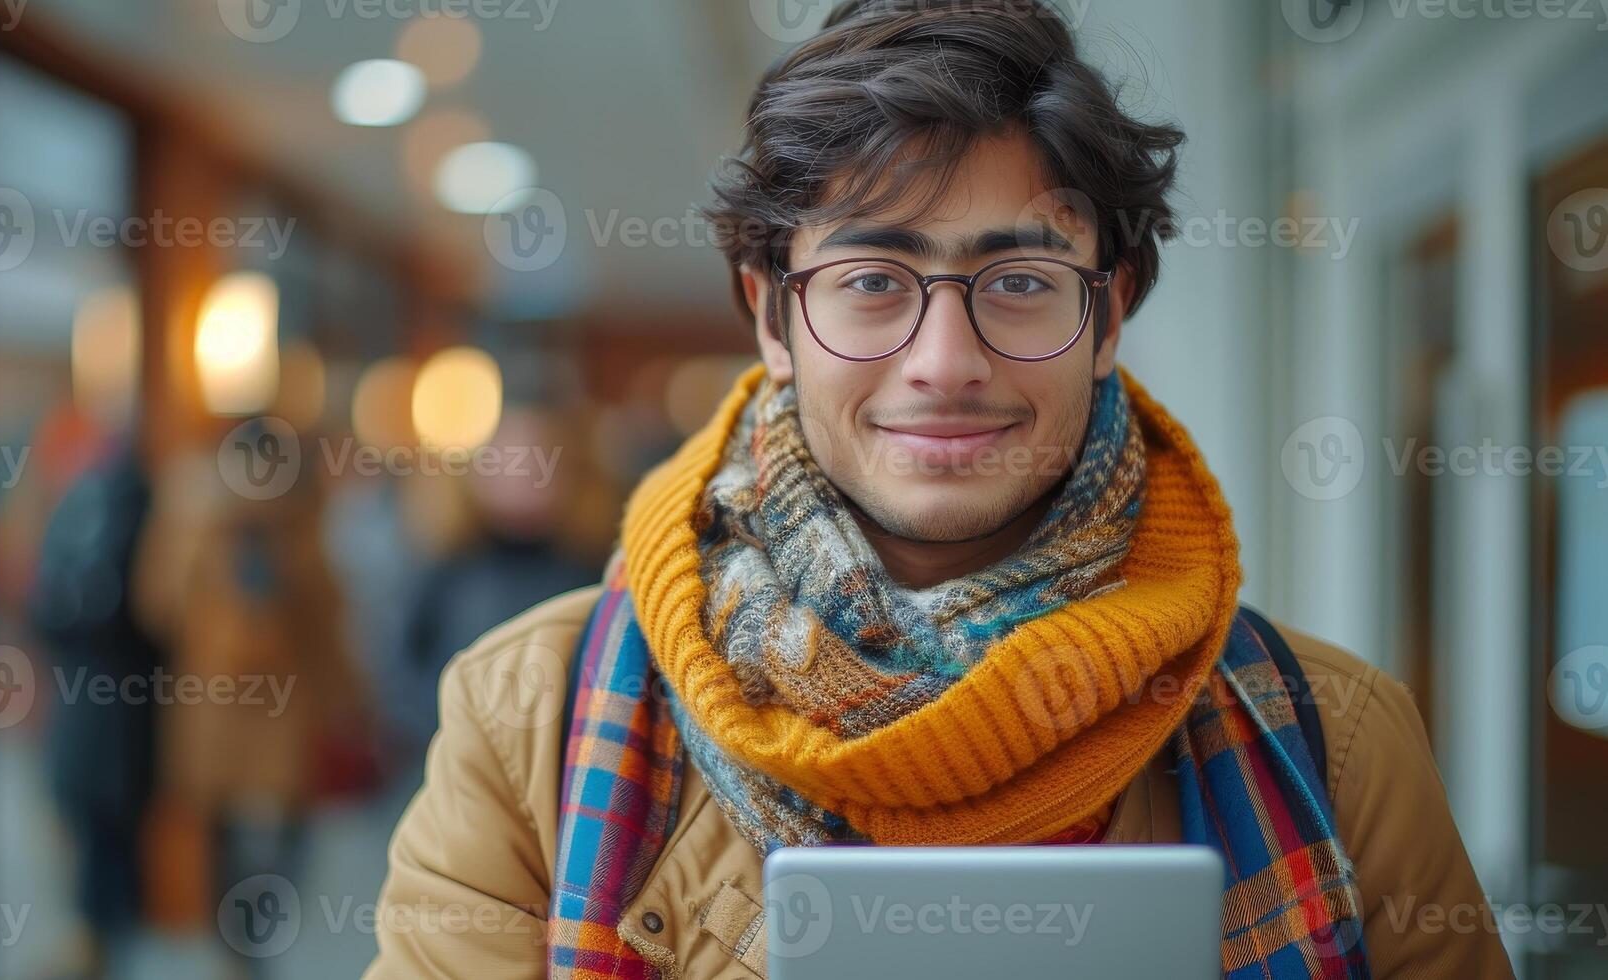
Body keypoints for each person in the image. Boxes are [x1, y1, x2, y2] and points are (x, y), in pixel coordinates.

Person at [367, 2, 1514, 977]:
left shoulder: (1340, 739)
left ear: (1107, 315)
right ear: (772, 315)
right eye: (873, 279)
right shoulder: (530, 721)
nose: (944, 360)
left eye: (1017, 280)